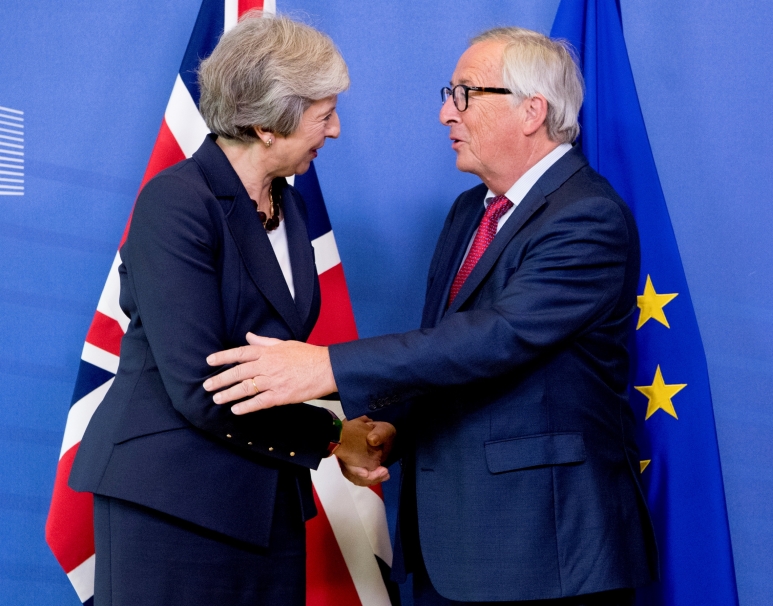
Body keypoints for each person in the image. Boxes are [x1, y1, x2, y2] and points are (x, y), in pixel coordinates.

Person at [204, 27, 657, 605]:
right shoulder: (472, 210)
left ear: (532, 112)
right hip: (454, 546)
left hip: (546, 551)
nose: (447, 112)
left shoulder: (587, 216)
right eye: (450, 93)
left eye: (465, 93)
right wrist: (397, 427)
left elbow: (498, 337)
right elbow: (444, 348)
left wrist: (326, 367)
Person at [69, 13, 392, 606]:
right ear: (268, 123)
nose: (337, 130)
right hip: (172, 502)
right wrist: (331, 435)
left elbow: (275, 362)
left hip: (265, 503)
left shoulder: (289, 206)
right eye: (324, 115)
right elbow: (200, 384)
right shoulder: (177, 202)